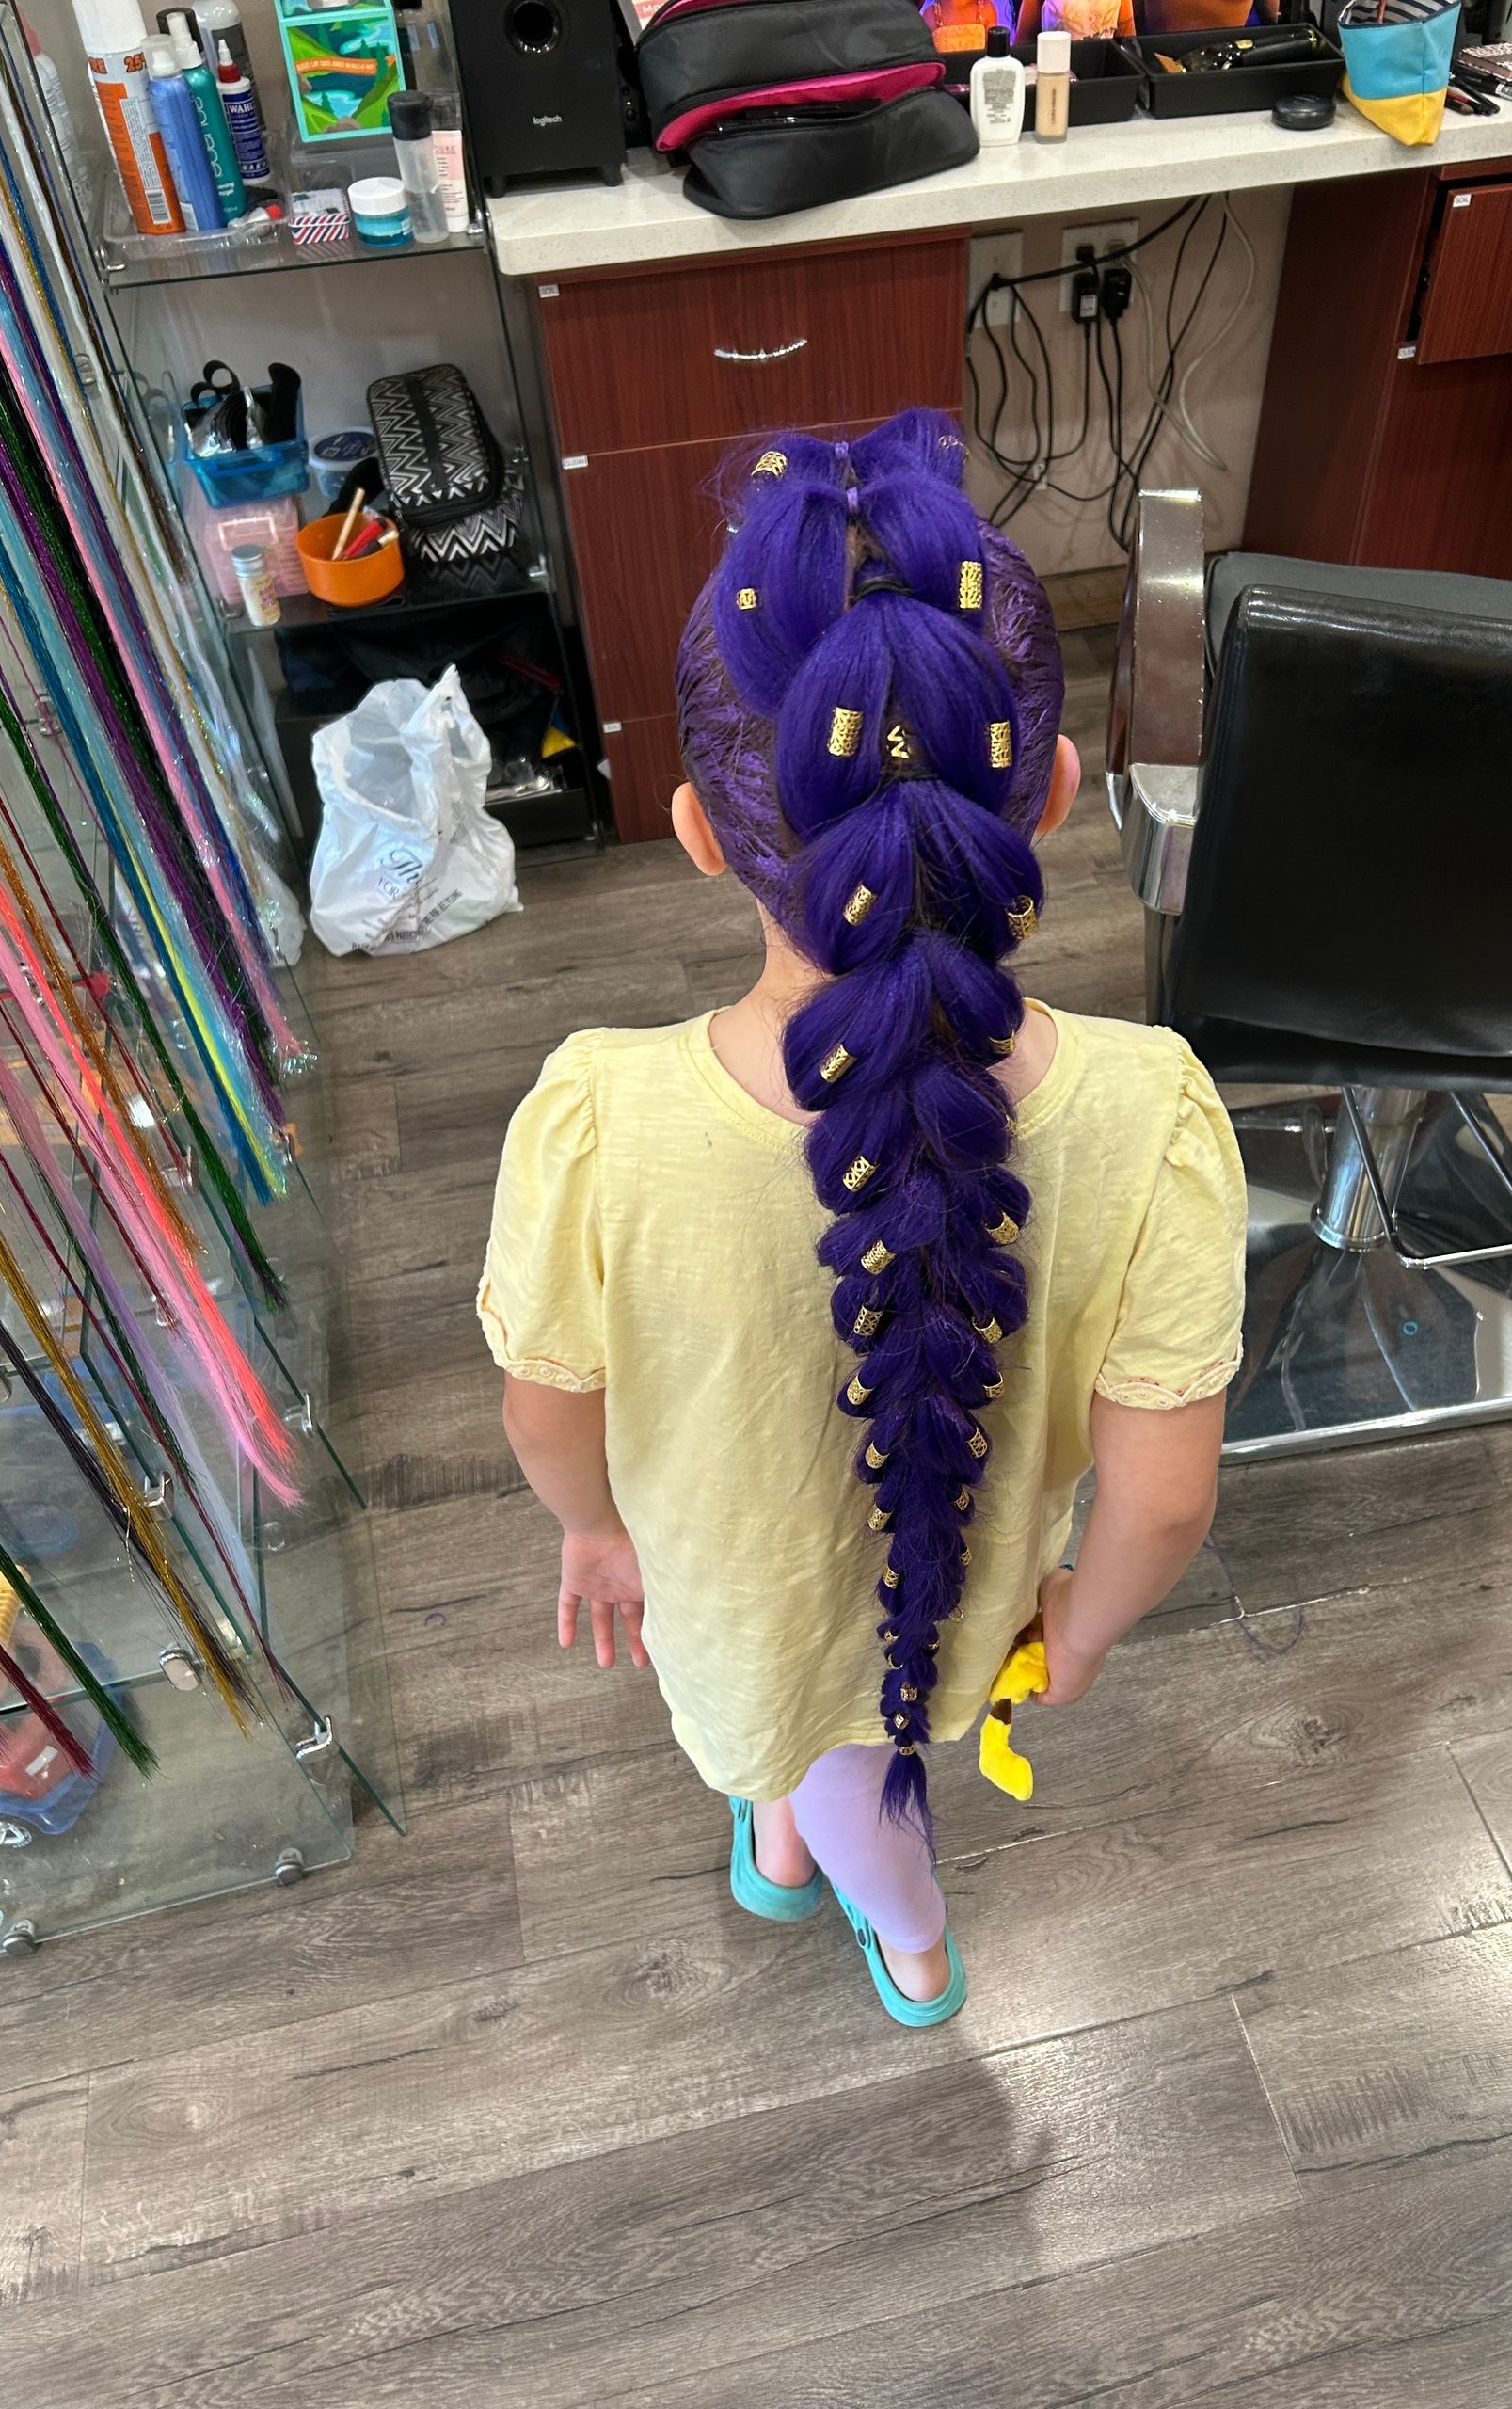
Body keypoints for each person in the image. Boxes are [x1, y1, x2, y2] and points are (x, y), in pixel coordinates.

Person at [480, 411, 1244, 2029]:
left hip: (747, 1602)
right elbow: (1166, 1497)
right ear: (1046, 793)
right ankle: (801, 1831)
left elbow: (547, 1410)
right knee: (849, 1744)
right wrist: (1082, 1632)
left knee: (835, 1769)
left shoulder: (594, 1123)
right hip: (962, 1583)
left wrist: (594, 1531)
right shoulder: (1155, 1112)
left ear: (696, 833)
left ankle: (901, 1927)